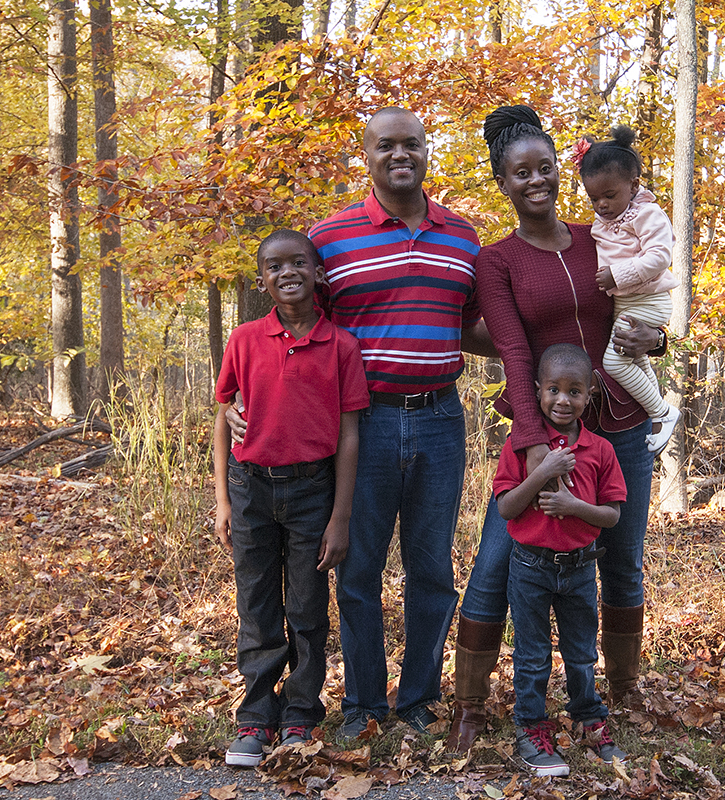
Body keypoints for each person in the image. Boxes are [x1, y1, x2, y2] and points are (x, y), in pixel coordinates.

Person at [227, 107, 494, 739]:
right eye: (386, 146)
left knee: (432, 569)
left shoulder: (463, 235)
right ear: (367, 156)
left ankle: (417, 701)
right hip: (362, 426)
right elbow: (293, 330)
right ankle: (364, 705)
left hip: (439, 418)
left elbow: (480, 326)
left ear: (427, 152)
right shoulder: (330, 238)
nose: (400, 155)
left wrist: (556, 341)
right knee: (357, 569)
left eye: (412, 145)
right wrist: (243, 402)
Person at [446, 105, 663, 754]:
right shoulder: (497, 262)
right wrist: (538, 448)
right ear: (503, 182)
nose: (535, 180)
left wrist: (658, 335)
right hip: (544, 432)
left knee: (621, 561)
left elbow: (646, 303)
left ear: (557, 174)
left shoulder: (599, 236)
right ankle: (468, 707)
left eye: (545, 168)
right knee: (493, 564)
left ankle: (619, 695)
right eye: (521, 173)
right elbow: (514, 352)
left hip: (620, 422)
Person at [213, 229, 369, 767]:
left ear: (318, 272)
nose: (288, 273)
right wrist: (223, 502)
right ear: (262, 281)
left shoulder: (342, 346)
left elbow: (350, 434)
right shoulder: (244, 340)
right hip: (250, 487)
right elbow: (223, 417)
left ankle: (301, 711)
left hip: (312, 491)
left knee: (306, 607)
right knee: (256, 605)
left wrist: (340, 517)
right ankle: (256, 716)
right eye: (274, 266)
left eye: (299, 262)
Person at [496, 343, 629, 775]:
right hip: (530, 567)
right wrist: (543, 469)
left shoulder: (600, 451)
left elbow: (611, 515)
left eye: (574, 391)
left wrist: (573, 506)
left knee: (581, 652)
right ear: (536, 391)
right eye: (553, 389)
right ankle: (532, 728)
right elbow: (506, 508)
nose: (562, 400)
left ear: (590, 395)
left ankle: (589, 719)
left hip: (579, 569)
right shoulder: (521, 446)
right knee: (532, 654)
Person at [575, 125, 681, 455]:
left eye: (610, 196)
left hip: (648, 300)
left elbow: (660, 256)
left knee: (616, 363)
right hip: (628, 302)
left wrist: (617, 275)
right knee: (635, 359)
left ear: (633, 185)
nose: (602, 205)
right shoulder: (604, 221)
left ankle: (662, 412)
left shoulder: (646, 214)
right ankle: (659, 411)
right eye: (594, 198)